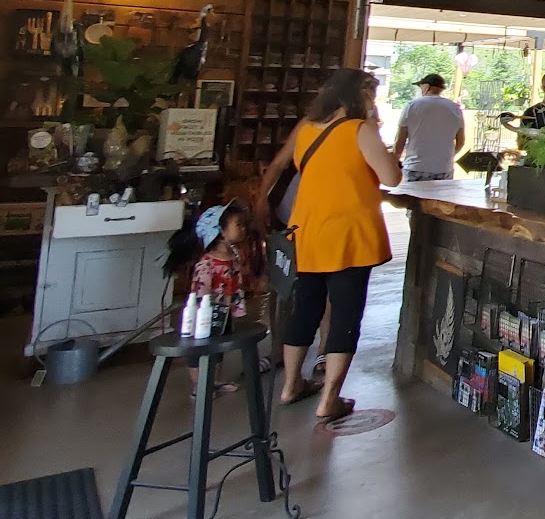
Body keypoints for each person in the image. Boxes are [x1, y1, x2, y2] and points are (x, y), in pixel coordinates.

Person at [258, 67, 402, 423]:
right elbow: (391, 177)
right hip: (348, 236)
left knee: (305, 308)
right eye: (371, 94)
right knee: (345, 315)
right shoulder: (360, 129)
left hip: (307, 231)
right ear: (359, 95)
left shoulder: (308, 128)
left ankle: (291, 385)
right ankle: (329, 398)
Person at [176, 201, 266, 392]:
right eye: (238, 224)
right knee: (200, 348)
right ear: (220, 232)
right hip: (205, 314)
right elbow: (200, 290)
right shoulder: (207, 264)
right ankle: (199, 386)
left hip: (224, 312)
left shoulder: (234, 255)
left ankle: (213, 382)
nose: (243, 228)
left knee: (217, 348)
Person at [393, 73, 465, 182]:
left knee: (414, 194)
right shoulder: (455, 108)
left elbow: (400, 140)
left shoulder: (411, 106)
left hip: (415, 167)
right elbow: (461, 141)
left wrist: (395, 161)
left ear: (427, 87)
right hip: (444, 169)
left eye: (420, 86)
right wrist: (447, 158)